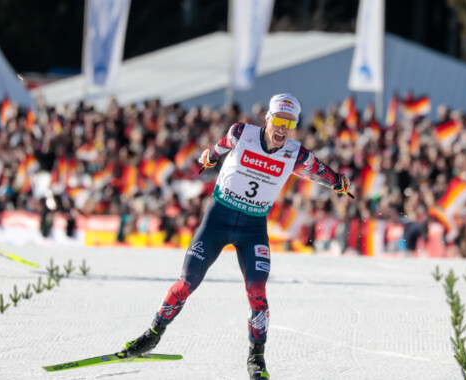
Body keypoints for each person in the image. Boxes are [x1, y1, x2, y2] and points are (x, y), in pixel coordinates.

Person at [119, 93, 351, 379]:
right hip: (218, 220)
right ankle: (152, 335)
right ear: (267, 118)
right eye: (278, 120)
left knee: (258, 295)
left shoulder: (296, 153)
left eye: (288, 124)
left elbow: (320, 173)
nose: (282, 129)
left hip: (252, 229)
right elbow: (219, 147)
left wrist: (339, 183)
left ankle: (256, 359)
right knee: (186, 282)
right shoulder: (242, 133)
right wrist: (209, 157)